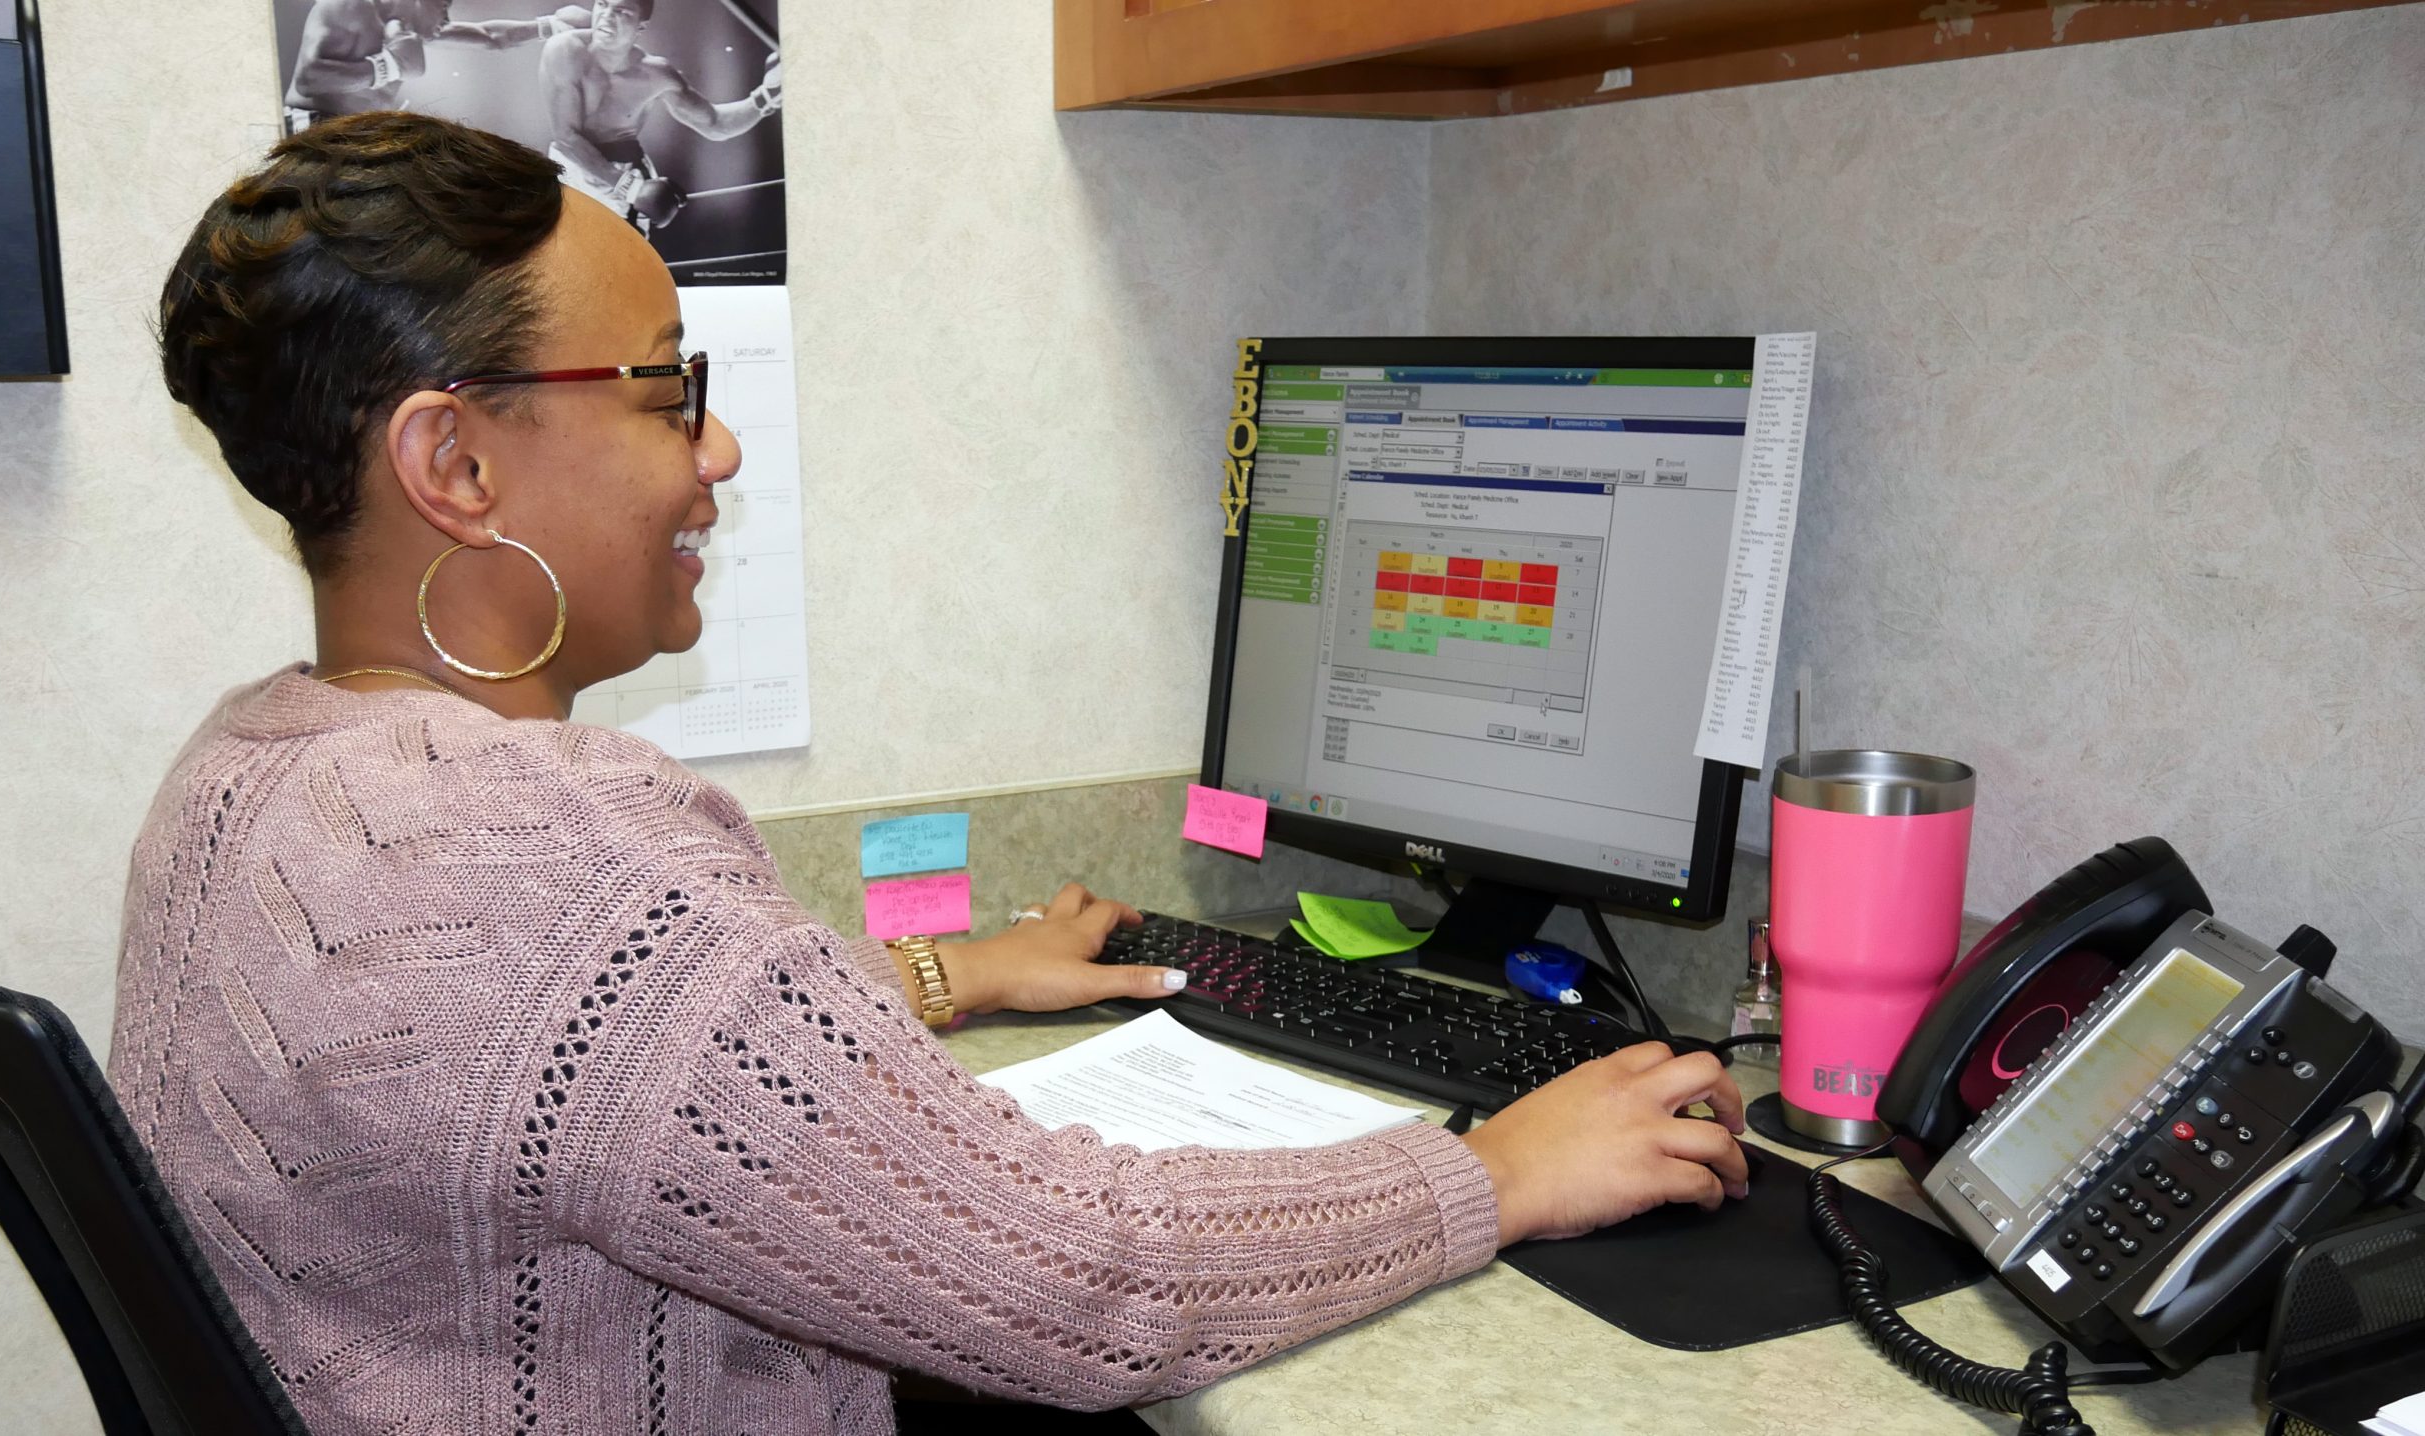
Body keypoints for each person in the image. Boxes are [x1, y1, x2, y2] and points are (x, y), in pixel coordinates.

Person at [118, 111, 1749, 1436]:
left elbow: (544, 1078)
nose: (716, 450)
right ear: (455, 464)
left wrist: (947, 974)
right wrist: (1495, 1171)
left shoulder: (251, 771)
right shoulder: (543, 846)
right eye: (669, 388)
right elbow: (1083, 1284)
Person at [540, 0, 781, 232]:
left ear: (640, 26)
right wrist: (631, 189)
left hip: (623, 171)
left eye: (622, 12)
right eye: (602, 4)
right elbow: (566, 137)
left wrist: (766, 97)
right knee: (558, 252)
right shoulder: (565, 50)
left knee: (622, 256)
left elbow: (715, 124)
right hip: (573, 167)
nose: (607, 16)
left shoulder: (656, 74)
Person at [281, 0, 565, 131]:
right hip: (311, 128)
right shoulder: (349, 6)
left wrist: (550, 26)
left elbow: (490, 36)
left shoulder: (408, 31)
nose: (446, 19)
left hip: (358, 133)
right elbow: (307, 80)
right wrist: (389, 66)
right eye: (444, 6)